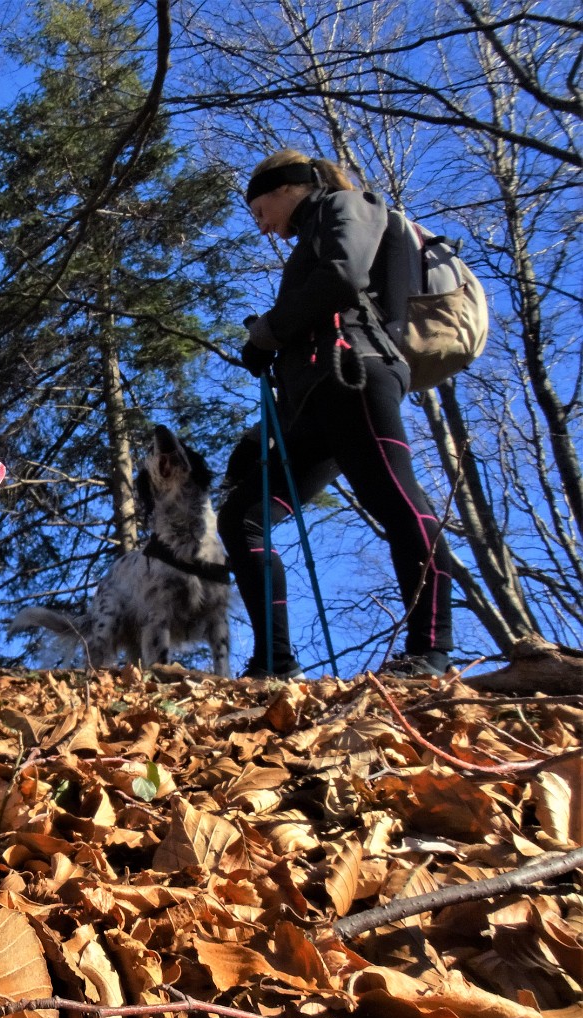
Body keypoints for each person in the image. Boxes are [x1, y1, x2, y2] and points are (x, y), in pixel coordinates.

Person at [218, 149, 455, 679]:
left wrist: (267, 333)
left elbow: (344, 277)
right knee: (243, 519)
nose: (263, 227)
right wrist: (263, 434)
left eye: (260, 211)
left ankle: (432, 652)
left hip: (356, 372)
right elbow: (308, 333)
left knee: (394, 498)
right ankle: (274, 664)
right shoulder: (312, 235)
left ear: (286, 187)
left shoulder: (349, 205)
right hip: (316, 396)